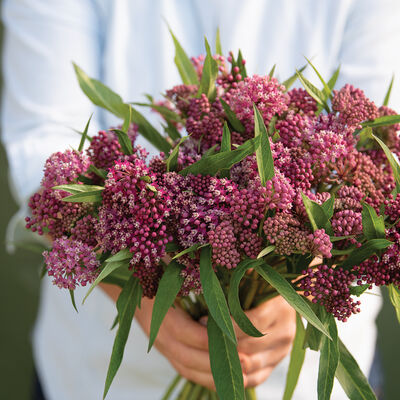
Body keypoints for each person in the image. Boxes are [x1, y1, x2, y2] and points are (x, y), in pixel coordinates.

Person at [2, 0, 400, 399]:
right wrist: (138, 295)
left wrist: (302, 290)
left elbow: (377, 145)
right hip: (95, 372)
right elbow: (41, 137)